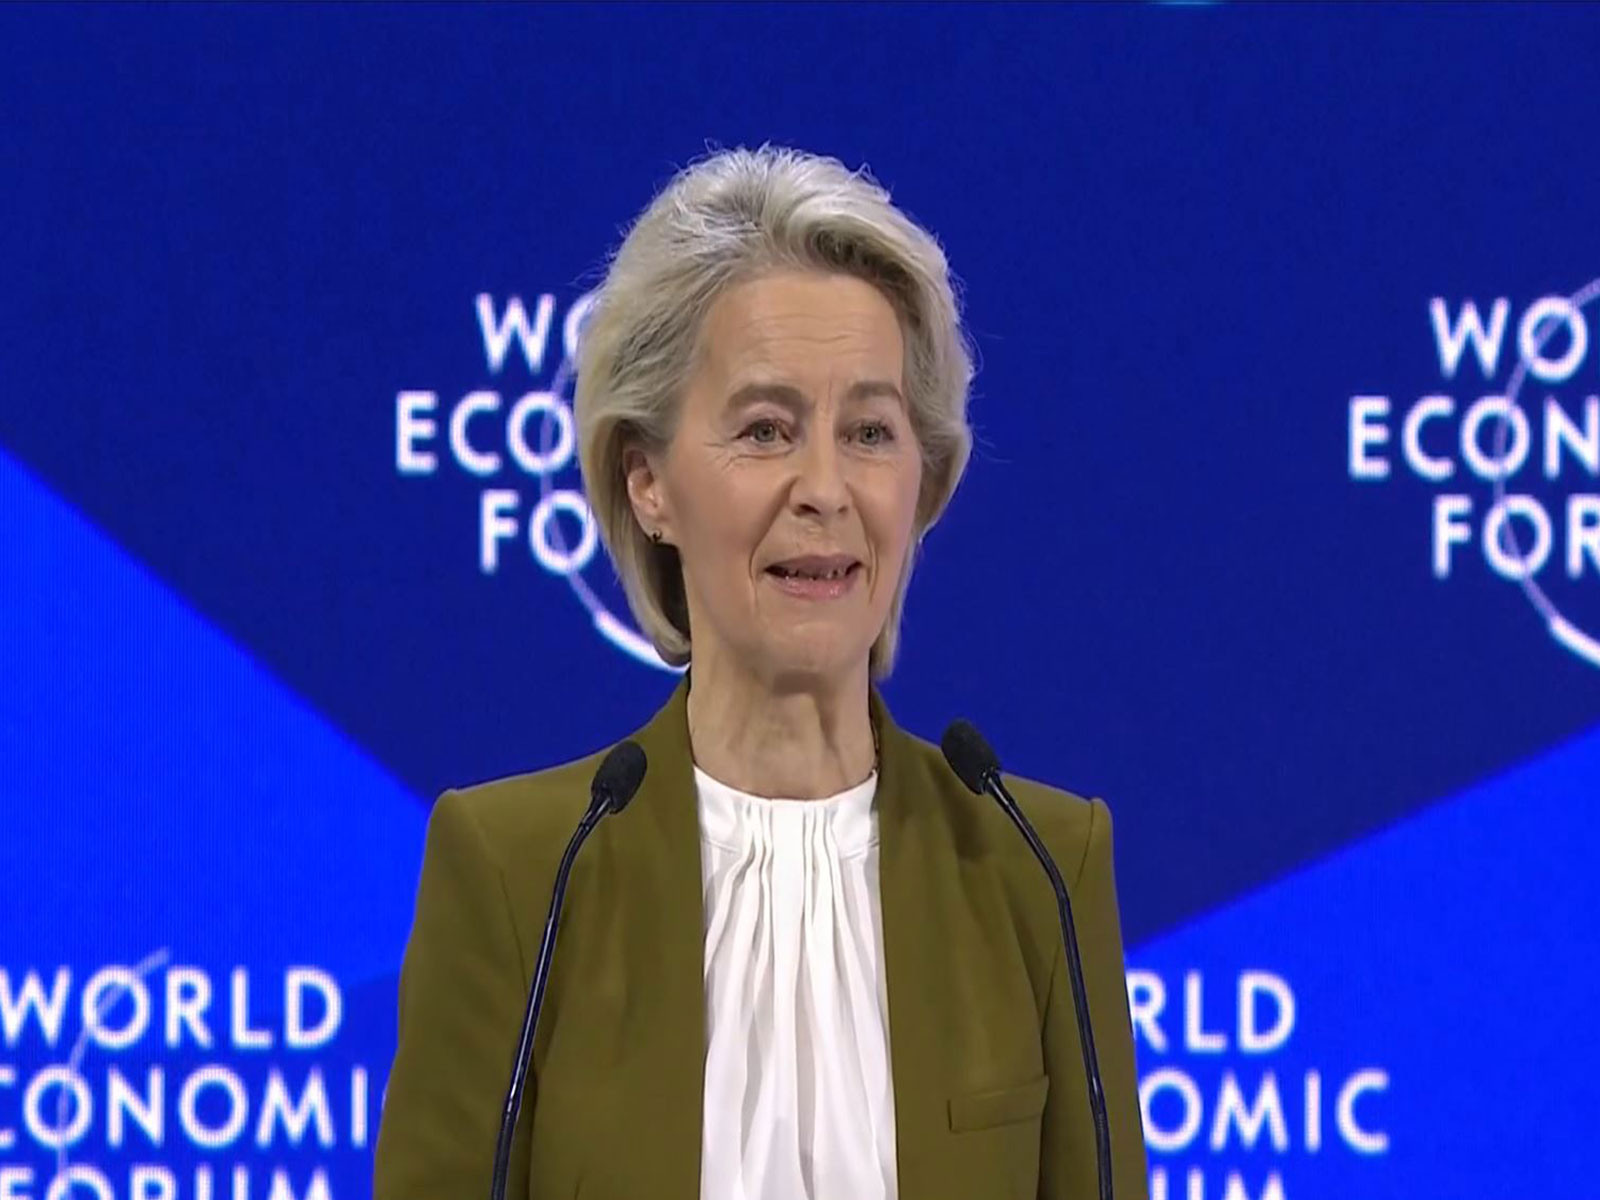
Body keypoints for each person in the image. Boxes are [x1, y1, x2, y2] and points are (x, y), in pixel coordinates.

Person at [373, 145, 1148, 1200]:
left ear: (922, 482)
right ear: (647, 482)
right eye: (766, 430)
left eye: (869, 431)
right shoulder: (522, 872)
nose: (825, 487)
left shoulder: (1039, 868)